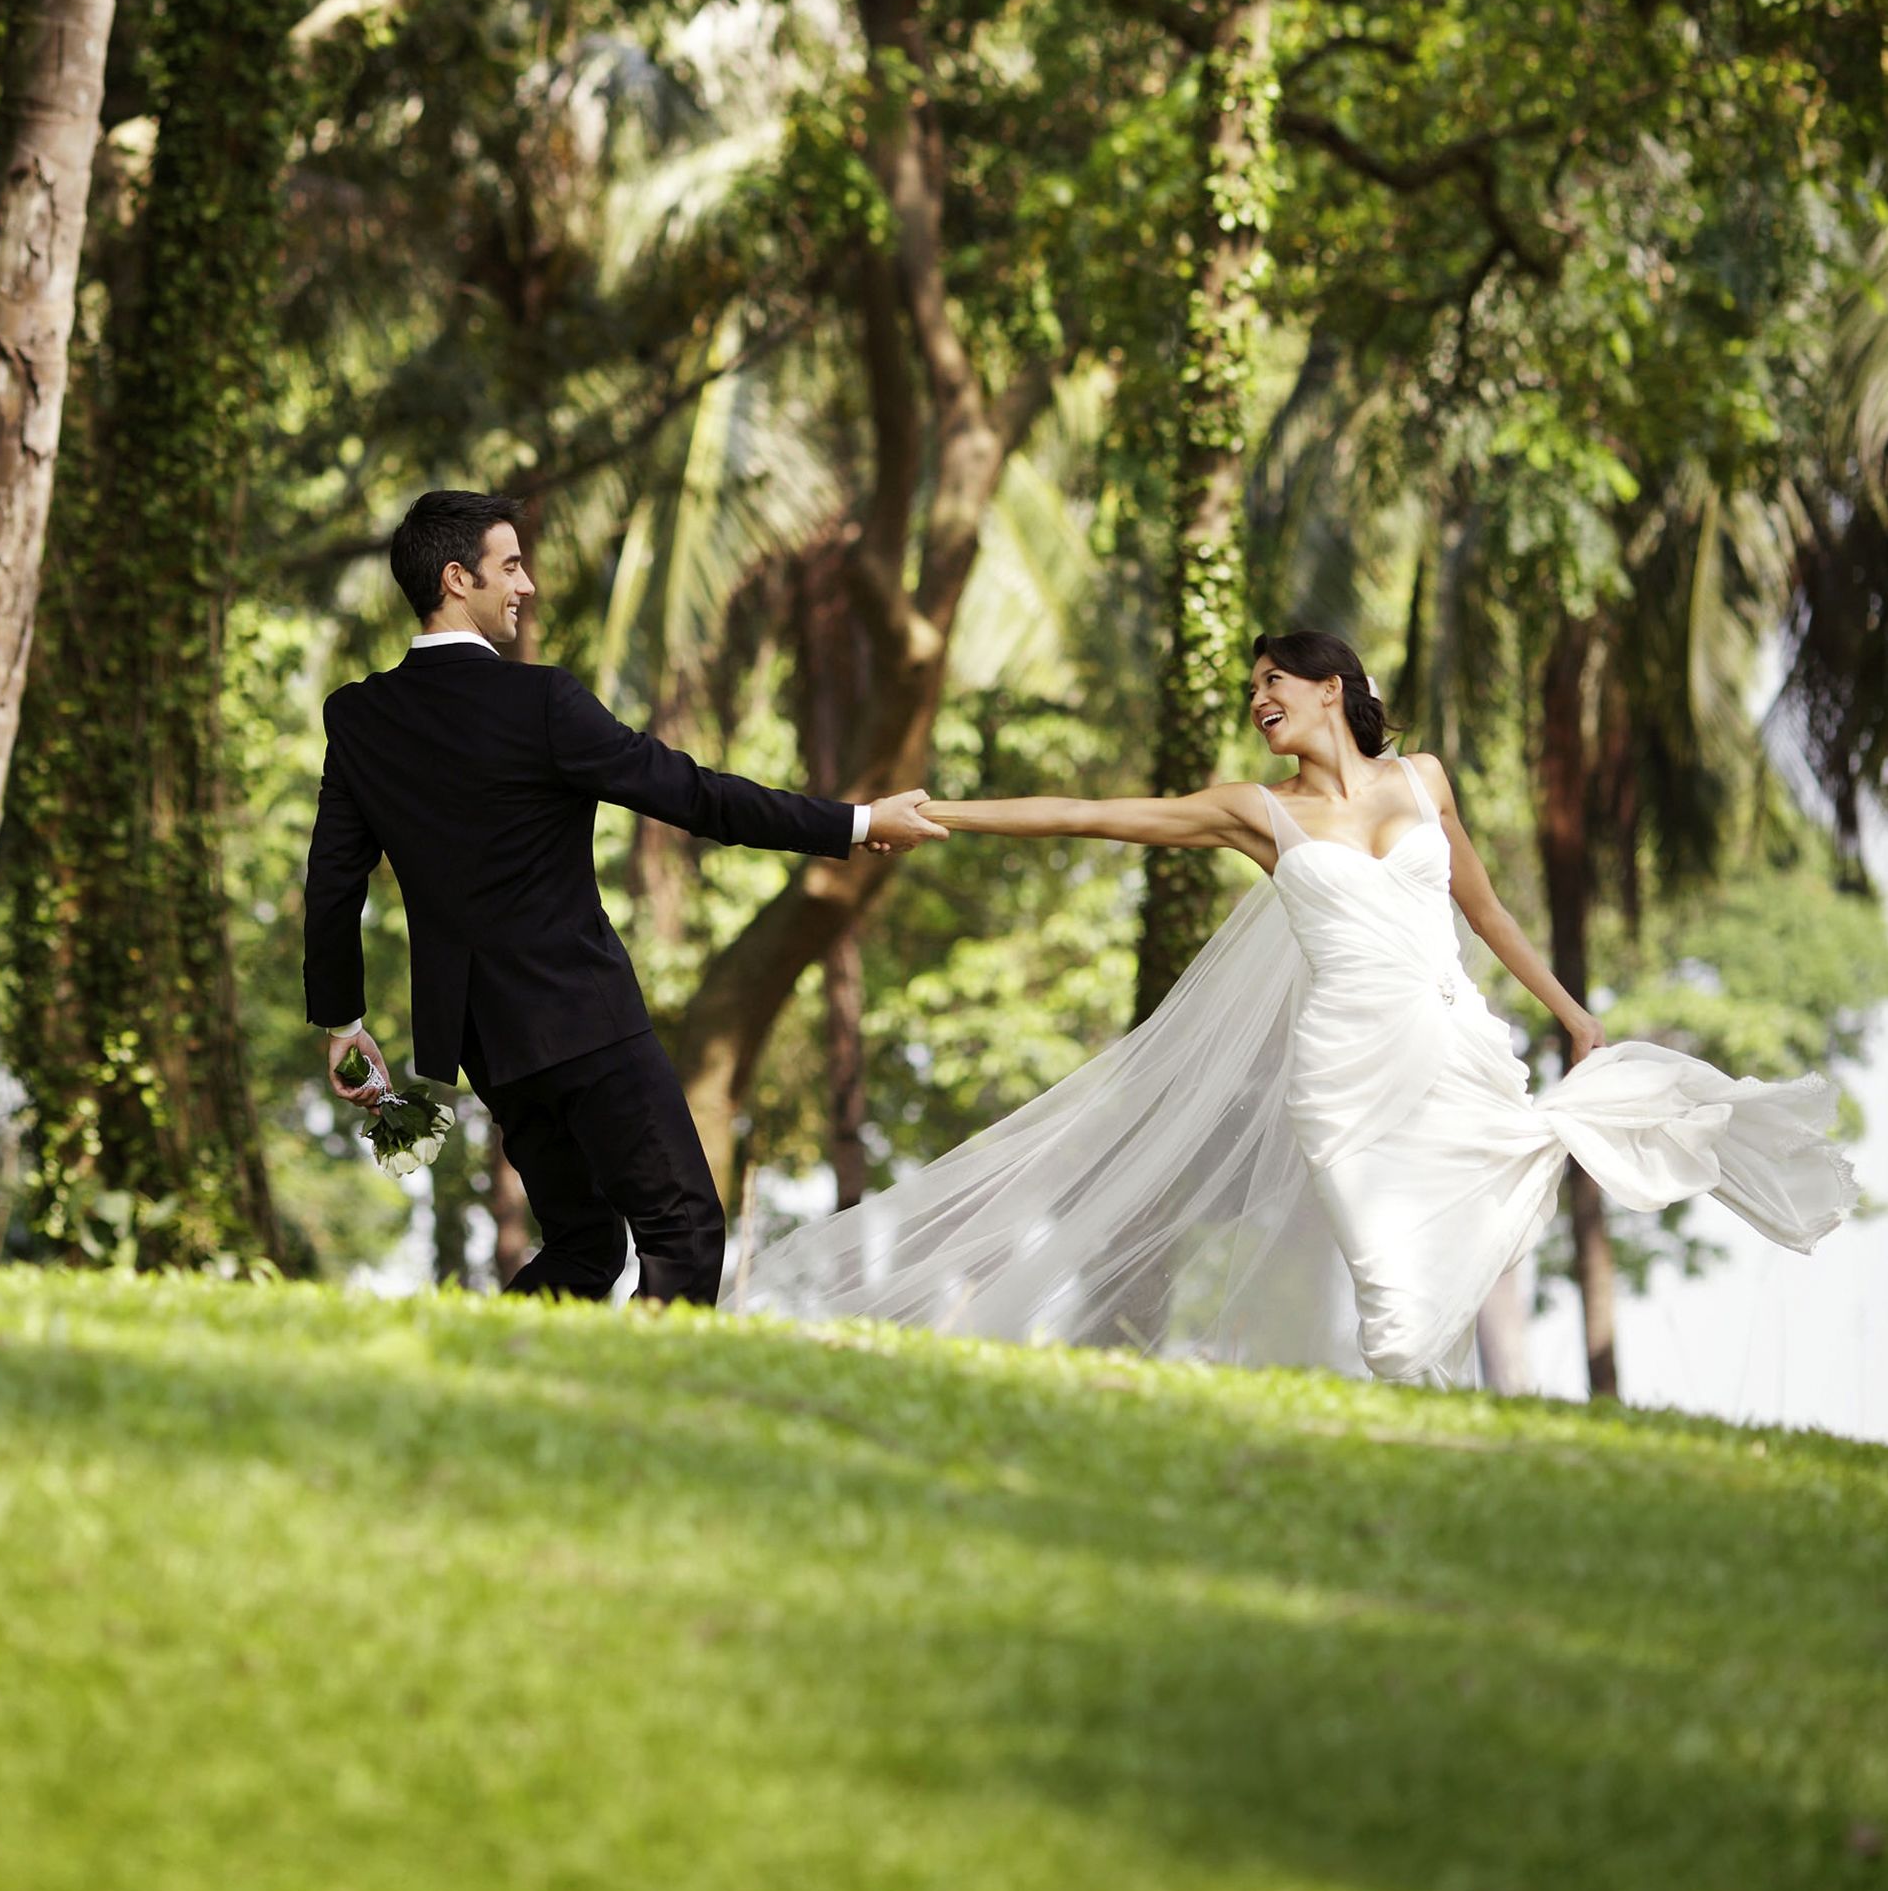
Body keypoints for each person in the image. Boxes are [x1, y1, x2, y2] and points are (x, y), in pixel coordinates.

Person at [733, 627, 1854, 1387]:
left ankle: (1691, 1140)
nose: (1257, 700)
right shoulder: (1250, 810)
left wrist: (1570, 1012)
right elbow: (1088, 810)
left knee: (1521, 1163)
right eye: (1249, 688)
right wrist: (931, 815)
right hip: (1343, 1073)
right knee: (1384, 1271)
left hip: (1448, 1045)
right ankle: (1410, 1405)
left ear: (1330, 686)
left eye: (1272, 679)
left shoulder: (1422, 780)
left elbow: (1484, 906)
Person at [304, 488, 940, 1305]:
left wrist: (343, 1026)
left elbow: (332, 882)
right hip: (578, 1012)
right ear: (457, 579)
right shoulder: (542, 703)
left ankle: (497, 1387)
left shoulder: (360, 717)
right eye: (510, 566)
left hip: (480, 1035)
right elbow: (695, 796)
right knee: (685, 1230)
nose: (525, 584)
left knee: (583, 1244)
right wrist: (855, 822)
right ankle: (642, 1413)